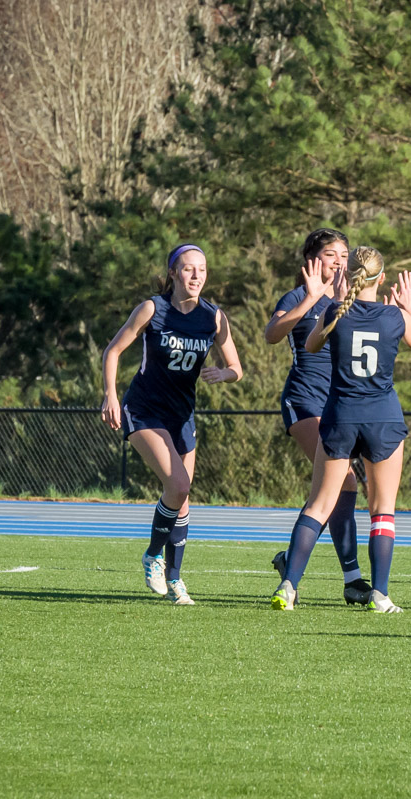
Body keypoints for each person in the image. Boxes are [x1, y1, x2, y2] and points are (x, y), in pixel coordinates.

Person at [271, 246, 411, 613]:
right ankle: (380, 595)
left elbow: (311, 346)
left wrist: (336, 301)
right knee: (383, 510)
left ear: (348, 275)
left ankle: (288, 586)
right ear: (382, 277)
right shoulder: (394, 317)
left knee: (319, 504)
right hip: (383, 418)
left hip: (341, 415)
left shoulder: (334, 312)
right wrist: (410, 308)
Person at [101, 243, 243, 605]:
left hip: (182, 415)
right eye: (188, 269)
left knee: (182, 498)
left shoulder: (213, 317)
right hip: (146, 409)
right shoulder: (153, 308)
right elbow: (113, 351)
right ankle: (153, 556)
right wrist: (110, 395)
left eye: (202, 269)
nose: (196, 276)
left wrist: (223, 374)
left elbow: (237, 369)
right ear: (173, 274)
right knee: (178, 484)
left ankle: (176, 578)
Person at [264, 229, 371, 606]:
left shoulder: (353, 299)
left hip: (340, 407)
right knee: (340, 481)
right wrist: (309, 299)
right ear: (312, 260)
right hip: (305, 402)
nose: (339, 260)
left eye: (344, 254)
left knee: (339, 489)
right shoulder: (298, 296)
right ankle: (347, 580)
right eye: (330, 254)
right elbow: (272, 334)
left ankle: (304, 569)